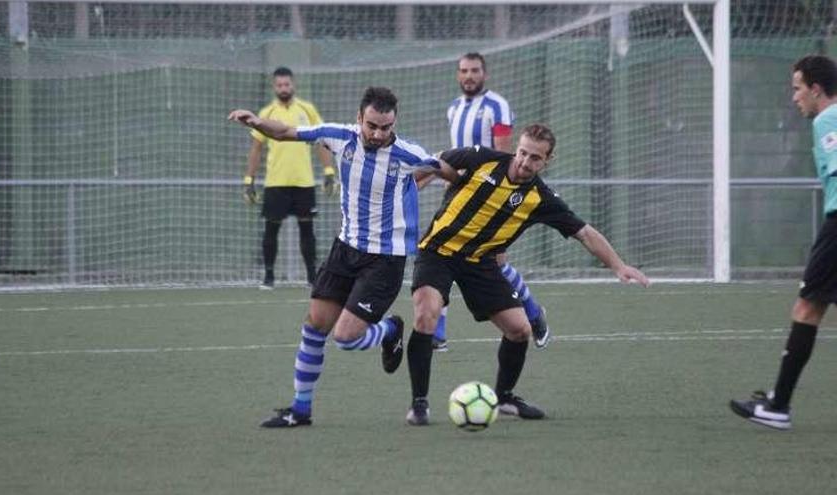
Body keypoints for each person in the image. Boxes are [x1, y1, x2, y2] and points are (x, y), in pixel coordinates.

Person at [228, 87, 456, 428]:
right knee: (314, 325)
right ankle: (300, 410)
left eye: (386, 127)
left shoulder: (408, 154)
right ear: (359, 119)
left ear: (395, 122)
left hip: (385, 259)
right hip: (345, 250)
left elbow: (447, 171)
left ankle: (390, 330)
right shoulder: (338, 137)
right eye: (372, 126)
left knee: (346, 338)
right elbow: (287, 132)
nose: (379, 134)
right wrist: (258, 122)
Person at [405, 124, 650, 425]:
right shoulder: (483, 158)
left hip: (480, 262)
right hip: (438, 252)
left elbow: (584, 232)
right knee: (426, 313)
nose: (524, 162)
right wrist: (413, 185)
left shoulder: (540, 198)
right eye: (522, 153)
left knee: (520, 329)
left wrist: (618, 266)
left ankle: (505, 397)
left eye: (535, 158)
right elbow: (435, 161)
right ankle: (419, 404)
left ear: (548, 161)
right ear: (516, 148)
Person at [729, 55, 837, 431]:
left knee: (807, 308)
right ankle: (778, 402)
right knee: (810, 308)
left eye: (797, 88)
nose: (794, 98)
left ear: (816, 89)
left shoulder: (828, 120)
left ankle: (778, 406)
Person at [430, 52, 551, 352]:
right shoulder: (454, 108)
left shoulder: (497, 105)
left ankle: (533, 313)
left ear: (485, 73)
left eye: (474, 70)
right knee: (441, 250)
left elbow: (504, 154)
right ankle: (437, 332)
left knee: (496, 263)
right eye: (464, 70)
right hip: (460, 191)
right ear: (458, 74)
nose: (468, 75)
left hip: (491, 194)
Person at [242, 67, 336, 289]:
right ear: (274, 87)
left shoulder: (307, 109)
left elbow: (321, 140)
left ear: (293, 85)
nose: (284, 88)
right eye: (279, 85)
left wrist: (329, 171)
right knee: (271, 230)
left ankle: (312, 278)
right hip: (276, 182)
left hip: (304, 181)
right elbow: (256, 148)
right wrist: (249, 179)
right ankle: (268, 277)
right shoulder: (265, 113)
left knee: (307, 230)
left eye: (287, 84)